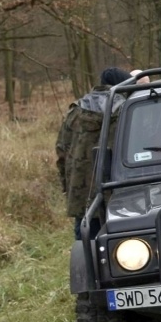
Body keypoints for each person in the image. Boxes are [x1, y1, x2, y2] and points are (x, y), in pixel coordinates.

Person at [56, 67, 132, 224]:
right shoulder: (127, 110)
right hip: (120, 197)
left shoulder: (75, 111)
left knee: (85, 242)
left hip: (80, 192)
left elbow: (61, 151)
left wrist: (67, 187)